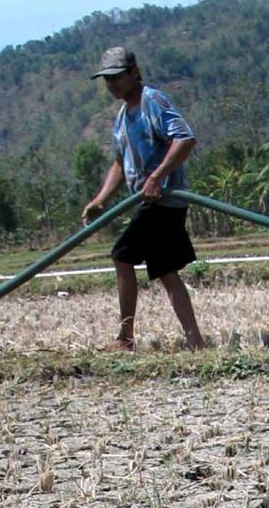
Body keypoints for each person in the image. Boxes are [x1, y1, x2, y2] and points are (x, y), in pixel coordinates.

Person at [82, 46, 206, 352]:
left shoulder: (153, 101)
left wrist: (156, 176)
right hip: (148, 203)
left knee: (122, 256)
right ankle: (195, 341)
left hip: (164, 201)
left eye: (116, 77)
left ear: (134, 72)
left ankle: (125, 338)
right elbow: (119, 162)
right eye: (106, 80)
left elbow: (185, 139)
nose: (111, 85)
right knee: (166, 271)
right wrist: (101, 199)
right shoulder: (123, 116)